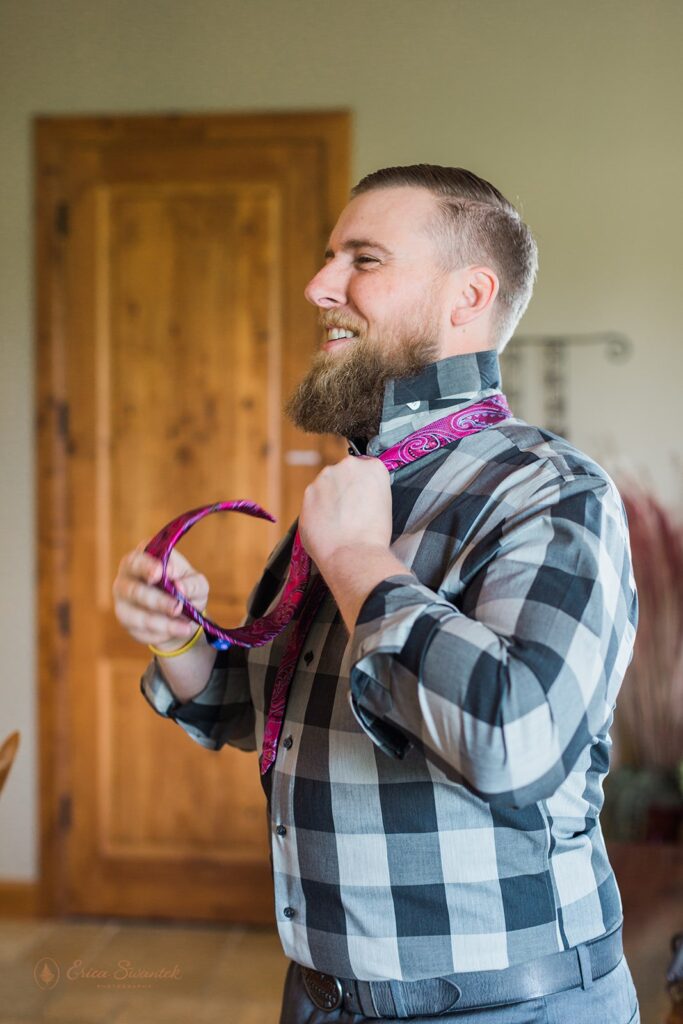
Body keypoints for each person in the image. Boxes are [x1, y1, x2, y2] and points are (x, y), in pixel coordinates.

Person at [112, 165, 640, 1023]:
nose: (320, 286)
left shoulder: (550, 490)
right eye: (329, 258)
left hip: (504, 1007)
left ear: (467, 296)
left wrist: (360, 561)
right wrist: (177, 637)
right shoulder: (349, 495)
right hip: (321, 999)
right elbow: (273, 717)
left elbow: (514, 742)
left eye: (362, 258)